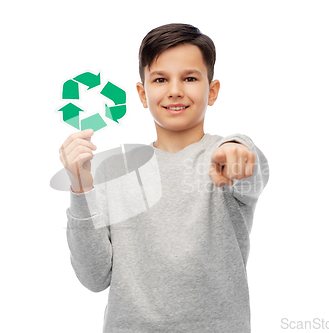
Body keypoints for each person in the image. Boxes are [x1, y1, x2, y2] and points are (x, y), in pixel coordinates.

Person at [59, 23, 269, 333]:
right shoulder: (116, 171)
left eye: (189, 78)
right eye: (160, 79)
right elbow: (94, 277)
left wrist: (236, 149)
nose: (174, 90)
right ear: (143, 94)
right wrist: (81, 188)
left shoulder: (226, 158)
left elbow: (249, 164)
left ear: (212, 91)